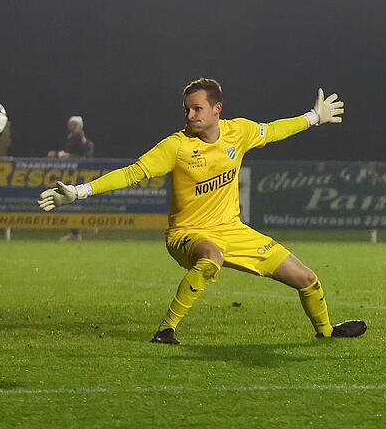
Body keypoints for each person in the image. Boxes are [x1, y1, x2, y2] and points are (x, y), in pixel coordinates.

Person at [37, 78, 366, 344]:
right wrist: (79, 192)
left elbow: (275, 130)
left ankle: (327, 331)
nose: (190, 116)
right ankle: (166, 330)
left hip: (233, 231)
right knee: (211, 257)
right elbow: (131, 173)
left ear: (216, 109)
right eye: (187, 109)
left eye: (197, 108)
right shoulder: (177, 146)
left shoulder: (239, 132)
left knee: (306, 278)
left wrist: (313, 117)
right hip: (187, 234)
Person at [48, 116, 94, 241]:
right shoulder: (67, 141)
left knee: (83, 204)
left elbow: (87, 159)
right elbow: (62, 154)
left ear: (81, 126)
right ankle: (75, 232)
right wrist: (55, 155)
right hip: (68, 178)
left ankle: (91, 227)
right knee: (69, 204)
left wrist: (69, 156)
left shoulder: (87, 143)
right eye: (70, 125)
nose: (72, 128)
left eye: (75, 125)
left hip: (82, 179)